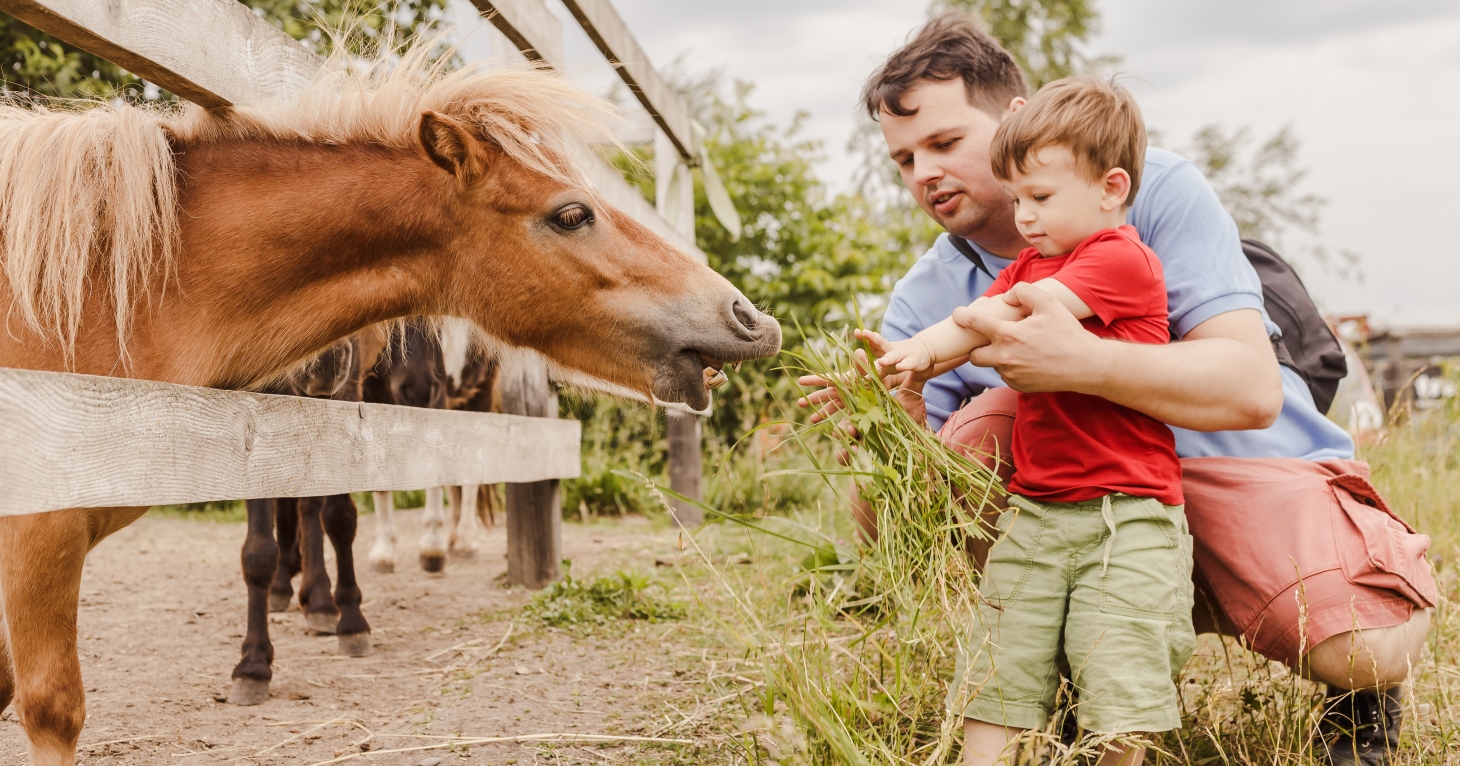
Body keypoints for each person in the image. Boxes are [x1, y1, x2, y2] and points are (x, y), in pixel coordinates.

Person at [798, 13, 1436, 766]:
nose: (924, 174)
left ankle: (1361, 674)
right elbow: (903, 544)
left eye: (943, 143)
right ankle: (1073, 674)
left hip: (1241, 465)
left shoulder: (1143, 191)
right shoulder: (926, 294)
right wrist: (893, 440)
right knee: (974, 435)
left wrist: (1082, 365)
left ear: (1015, 121)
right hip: (1076, 512)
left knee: (1365, 652)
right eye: (904, 160)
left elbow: (1250, 393)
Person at [859, 75, 1188, 766]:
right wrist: (914, 357)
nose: (1026, 217)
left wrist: (956, 330)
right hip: (1036, 511)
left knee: (1118, 667)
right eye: (1016, 200)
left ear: (1112, 187)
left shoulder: (1120, 260)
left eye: (1040, 197)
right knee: (1001, 660)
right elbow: (969, 330)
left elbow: (1006, 318)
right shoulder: (1034, 264)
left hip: (1125, 514)